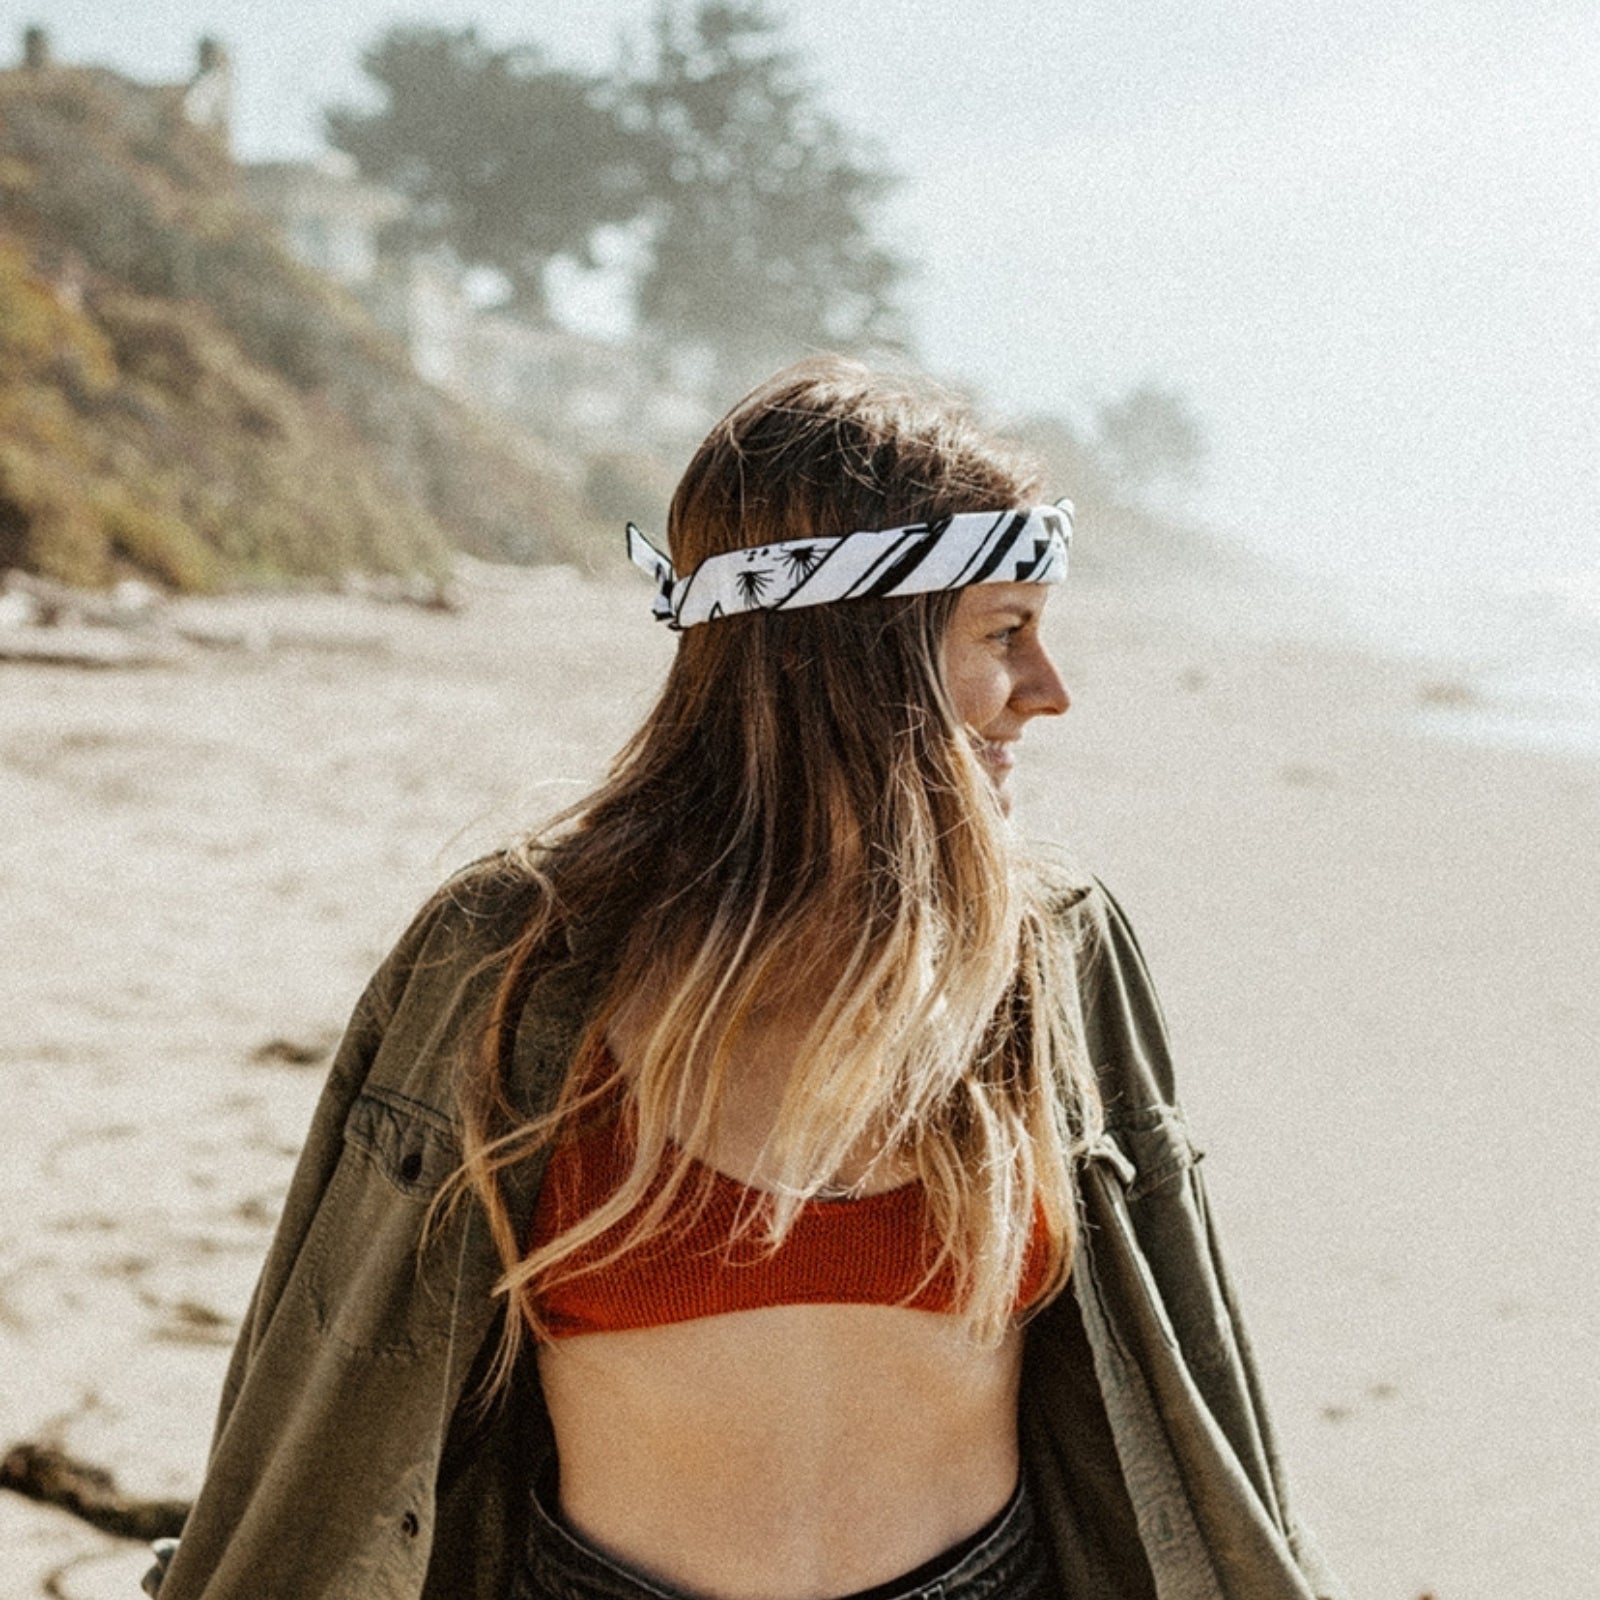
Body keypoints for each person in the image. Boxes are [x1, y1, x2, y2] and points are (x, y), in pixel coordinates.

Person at [145, 359, 1344, 1600]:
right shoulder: (506, 956)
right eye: (1005, 632)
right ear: (859, 651)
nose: (1050, 690)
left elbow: (1195, 1385)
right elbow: (311, 1385)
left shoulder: (1047, 955)